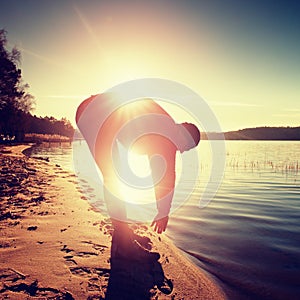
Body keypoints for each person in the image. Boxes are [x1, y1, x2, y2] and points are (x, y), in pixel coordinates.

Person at [76, 93, 200, 255]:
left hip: (97, 111)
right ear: (184, 132)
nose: (182, 150)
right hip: (95, 113)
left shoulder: (164, 130)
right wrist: (163, 212)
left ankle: (123, 234)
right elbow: (167, 176)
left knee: (114, 173)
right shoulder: (169, 134)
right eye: (187, 146)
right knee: (113, 176)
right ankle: (123, 243)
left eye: (187, 149)